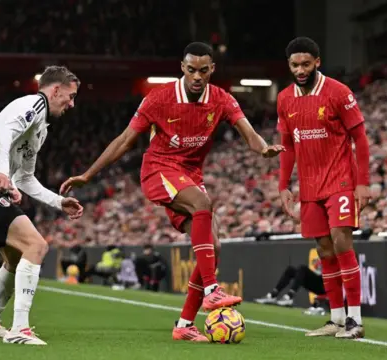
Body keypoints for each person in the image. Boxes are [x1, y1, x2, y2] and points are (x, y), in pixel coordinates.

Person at [60, 42, 285, 342]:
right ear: (182, 67)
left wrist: (264, 149)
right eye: (191, 70)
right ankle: (212, 291)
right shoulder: (160, 98)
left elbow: (249, 134)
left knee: (213, 248)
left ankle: (184, 325)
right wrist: (88, 175)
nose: (197, 76)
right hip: (158, 169)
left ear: (211, 70)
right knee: (203, 203)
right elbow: (126, 139)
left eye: (203, 71)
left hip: (190, 175)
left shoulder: (221, 99)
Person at [0, 65, 84, 346]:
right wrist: (1, 172)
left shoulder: (41, 128)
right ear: (55, 89)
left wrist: (59, 202)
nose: (72, 104)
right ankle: (20, 328)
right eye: (70, 96)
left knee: (14, 259)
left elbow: (25, 178)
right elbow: (2, 136)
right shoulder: (33, 104)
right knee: (37, 246)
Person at [277, 37, 370, 339]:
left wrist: (364, 184)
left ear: (318, 62)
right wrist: (283, 185)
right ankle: (337, 319)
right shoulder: (284, 99)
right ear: (289, 65)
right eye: (295, 64)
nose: (300, 69)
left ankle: (356, 320)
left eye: (306, 63)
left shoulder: (338, 92)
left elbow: (361, 138)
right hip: (309, 187)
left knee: (341, 241)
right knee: (324, 249)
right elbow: (288, 147)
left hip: (341, 180)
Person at [254, 264, 324, 307]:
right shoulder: (322, 257)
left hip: (324, 286)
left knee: (302, 268)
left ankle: (289, 297)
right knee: (290, 270)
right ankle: (272, 295)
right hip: (318, 283)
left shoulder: (332, 257)